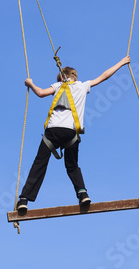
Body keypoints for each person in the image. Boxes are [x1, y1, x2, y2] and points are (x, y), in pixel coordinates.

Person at [17, 56, 131, 216]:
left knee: (40, 163)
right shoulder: (82, 86)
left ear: (62, 77)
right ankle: (82, 193)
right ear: (74, 76)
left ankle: (24, 199)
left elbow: (41, 93)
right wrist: (122, 62)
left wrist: (30, 83)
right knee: (72, 166)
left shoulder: (58, 85)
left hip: (53, 131)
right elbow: (104, 76)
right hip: (71, 132)